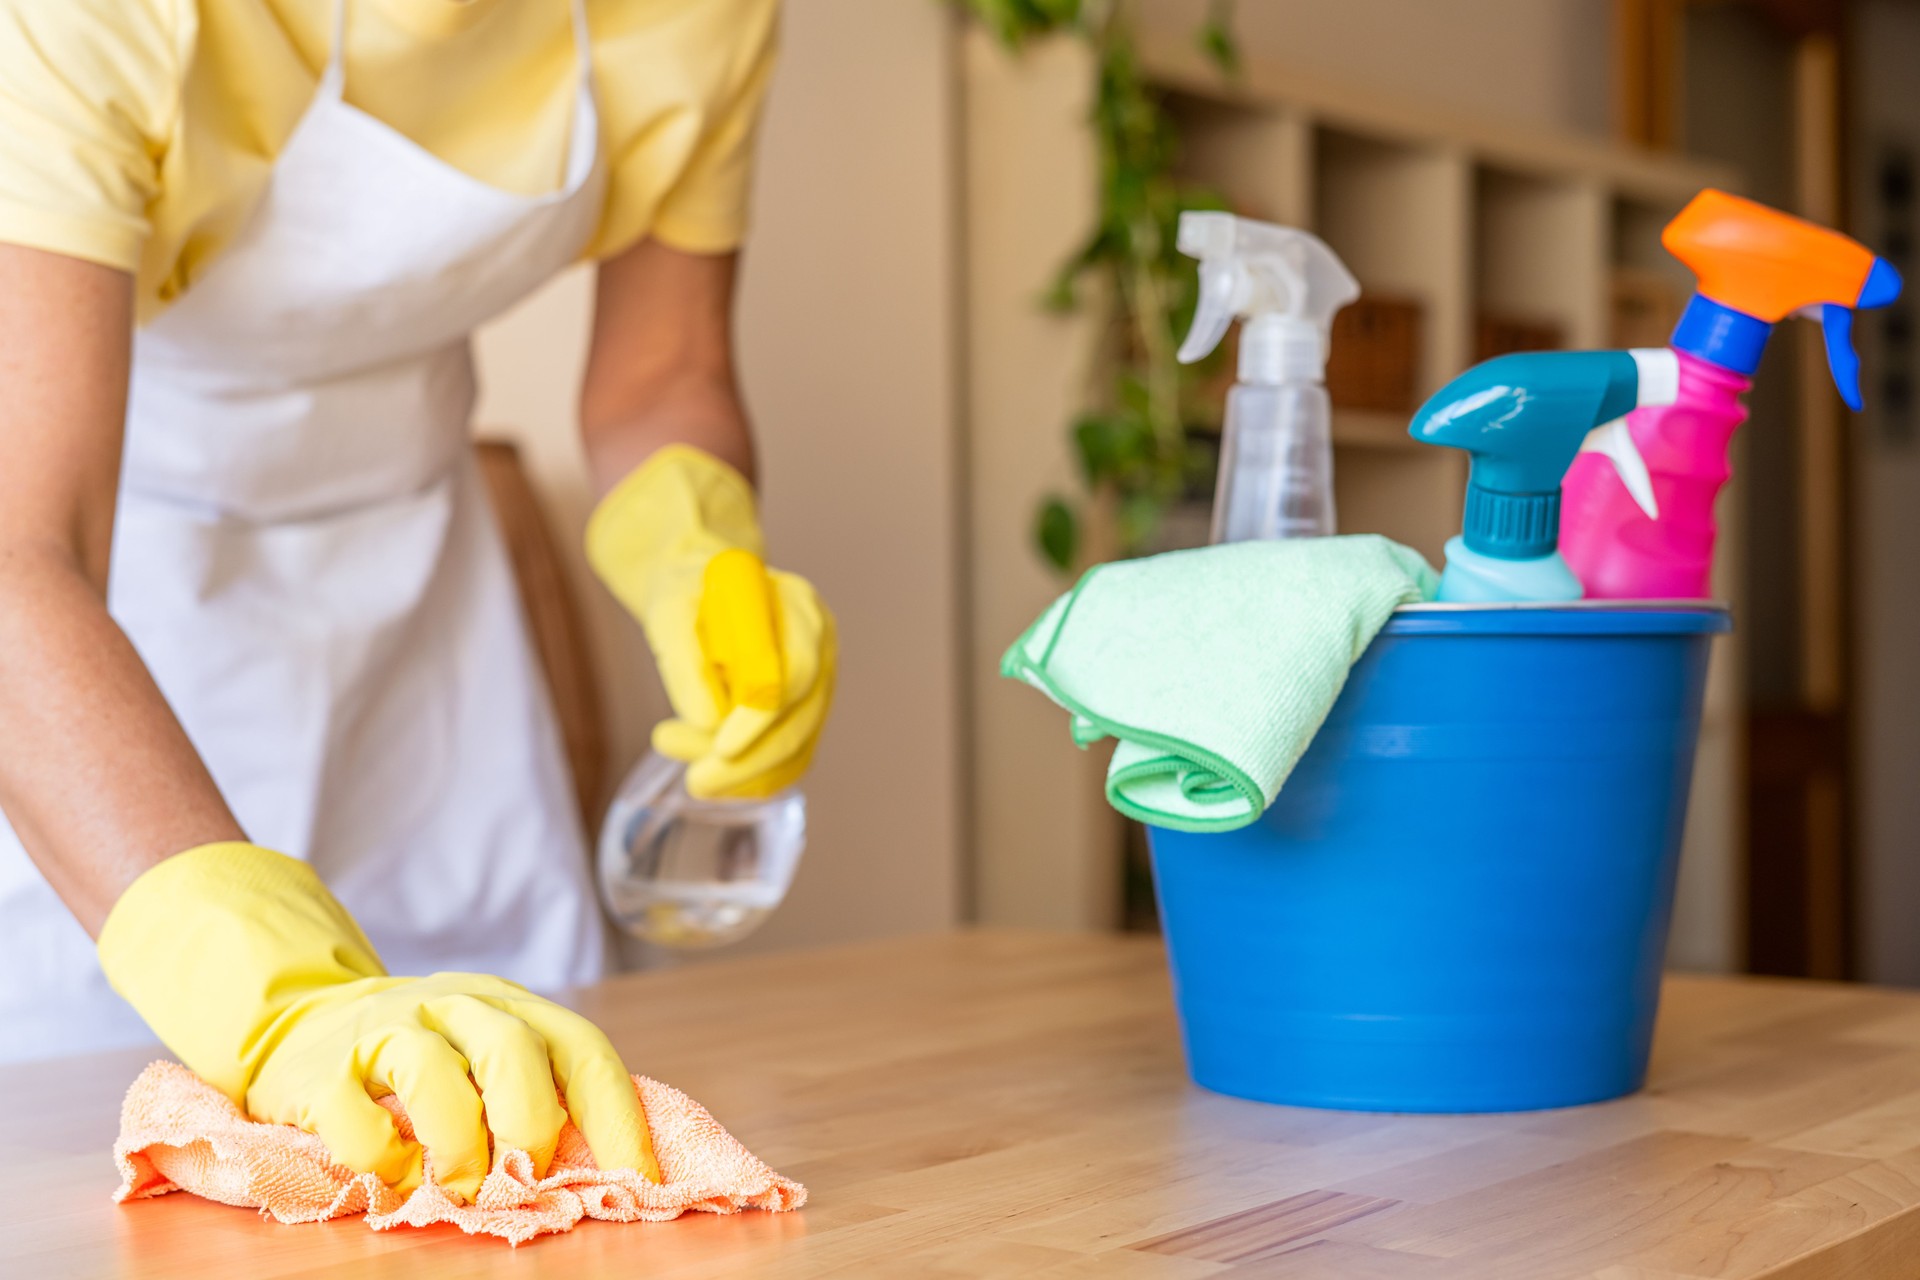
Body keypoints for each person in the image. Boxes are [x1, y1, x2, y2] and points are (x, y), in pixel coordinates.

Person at [0, 0, 834, 1201]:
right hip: (94, 644)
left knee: (523, 1155)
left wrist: (696, 549)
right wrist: (274, 996)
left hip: (426, 642)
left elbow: (666, 371)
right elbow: (24, 548)